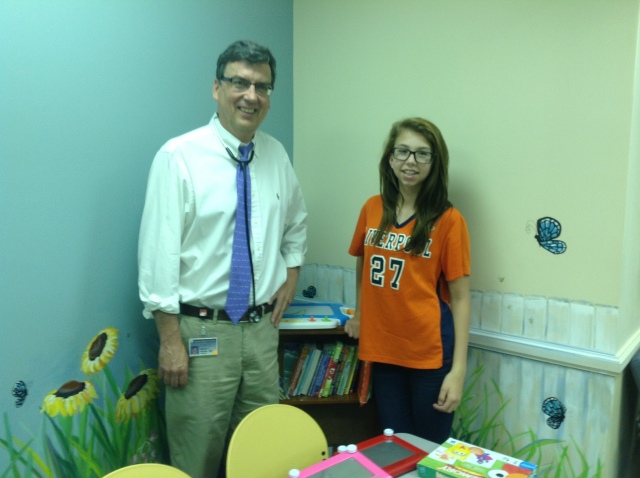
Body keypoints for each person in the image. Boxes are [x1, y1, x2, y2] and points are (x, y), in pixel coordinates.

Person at [138, 40, 307, 478]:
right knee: (197, 456)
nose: (252, 95)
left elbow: (295, 221)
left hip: (261, 332)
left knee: (264, 454)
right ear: (217, 88)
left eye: (263, 87)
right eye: (240, 83)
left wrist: (292, 270)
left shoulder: (276, 155)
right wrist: (170, 341)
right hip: (201, 334)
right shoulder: (179, 156)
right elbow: (158, 254)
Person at [345, 117, 470, 444]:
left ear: (435, 161)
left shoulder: (449, 220)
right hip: (384, 352)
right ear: (390, 157)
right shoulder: (372, 208)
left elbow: (461, 298)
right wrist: (359, 315)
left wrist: (457, 372)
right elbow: (363, 261)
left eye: (421, 154)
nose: (410, 161)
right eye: (402, 151)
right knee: (395, 447)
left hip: (430, 355)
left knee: (428, 453)